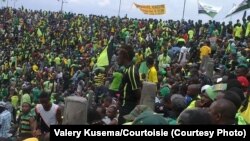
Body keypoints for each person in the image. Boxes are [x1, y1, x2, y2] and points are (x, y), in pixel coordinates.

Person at [117, 44, 141, 124]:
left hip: (128, 110)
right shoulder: (126, 70)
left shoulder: (131, 71)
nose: (117, 57)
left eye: (118, 54)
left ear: (124, 55)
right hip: (124, 108)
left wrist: (134, 115)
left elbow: (138, 93)